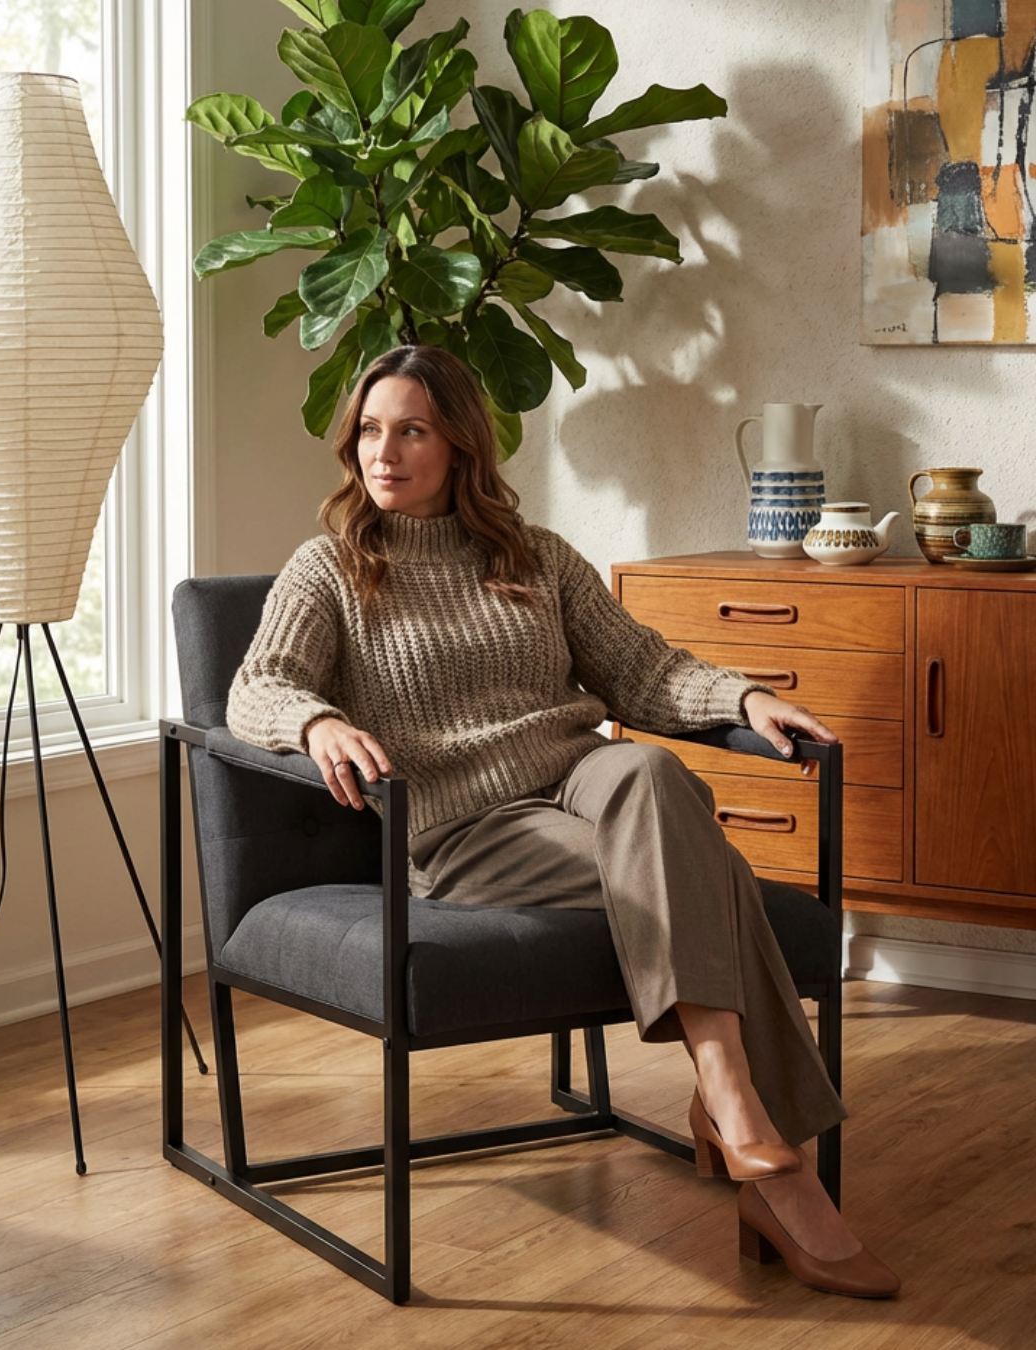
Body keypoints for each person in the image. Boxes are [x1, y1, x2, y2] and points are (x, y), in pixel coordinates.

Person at [227, 345, 899, 1299]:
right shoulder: (332, 567)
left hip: (579, 777)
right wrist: (316, 721)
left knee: (651, 769)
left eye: (411, 430)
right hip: (465, 827)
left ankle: (728, 1101)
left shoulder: (535, 556)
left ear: (460, 446)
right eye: (371, 430)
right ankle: (762, 1147)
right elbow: (258, 686)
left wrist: (744, 699)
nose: (384, 452)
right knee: (705, 868)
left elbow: (644, 670)